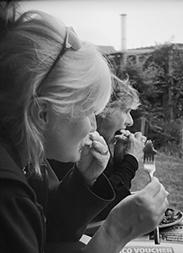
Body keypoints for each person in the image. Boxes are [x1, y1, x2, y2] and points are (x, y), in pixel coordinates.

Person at [0, 5, 168, 253]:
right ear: (42, 113)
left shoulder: (11, 148)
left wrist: (82, 180)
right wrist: (115, 232)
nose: (92, 126)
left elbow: (43, 232)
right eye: (87, 112)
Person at [49, 76, 146, 225]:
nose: (130, 121)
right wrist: (130, 161)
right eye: (126, 111)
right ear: (102, 109)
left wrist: (120, 162)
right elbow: (106, 209)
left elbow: (109, 192)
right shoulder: (72, 148)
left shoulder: (97, 145)